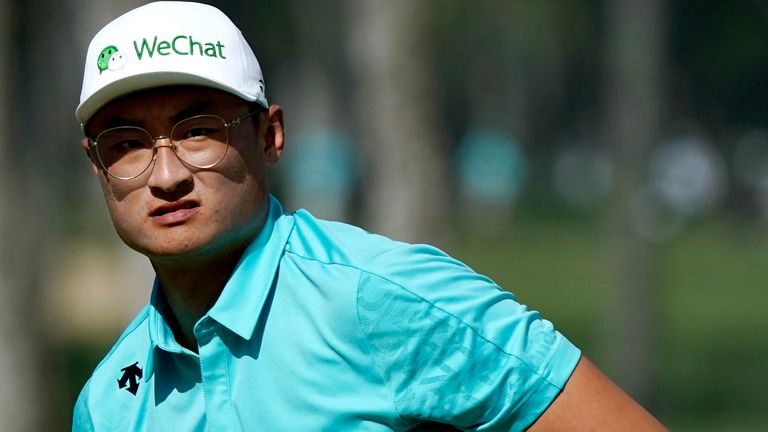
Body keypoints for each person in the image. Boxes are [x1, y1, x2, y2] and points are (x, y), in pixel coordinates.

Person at [72, 2, 667, 431]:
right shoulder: (107, 403)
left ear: (270, 135)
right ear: (96, 167)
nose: (167, 175)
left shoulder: (386, 296)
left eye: (199, 131)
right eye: (125, 144)